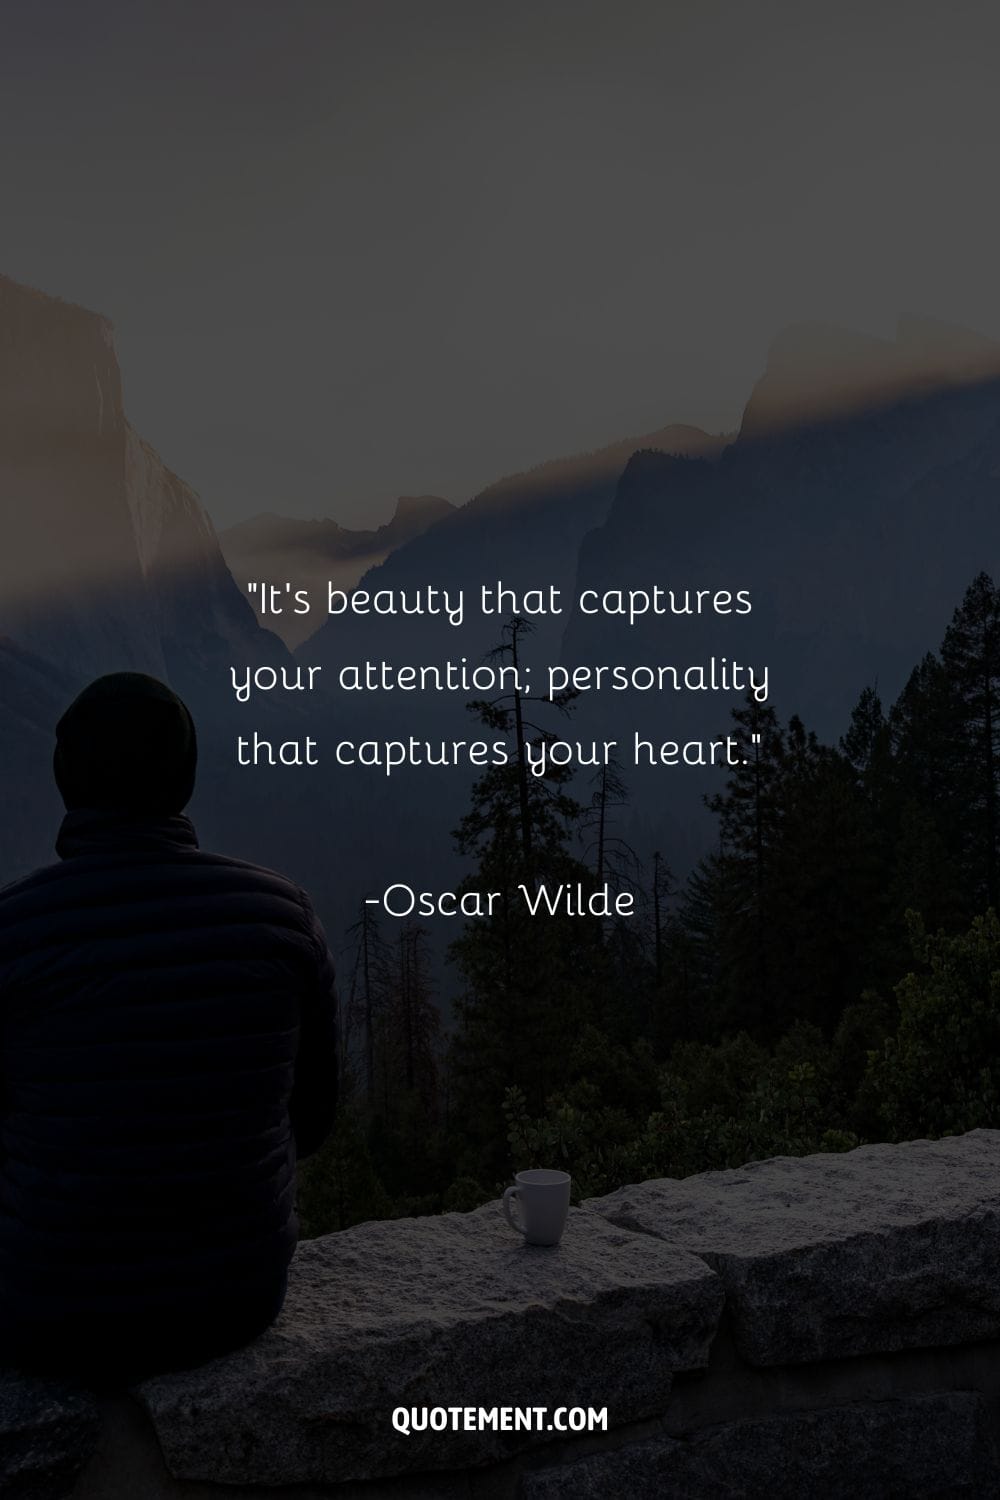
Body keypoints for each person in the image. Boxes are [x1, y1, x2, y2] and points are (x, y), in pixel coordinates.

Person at [0, 672, 338, 1380]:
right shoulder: (281, 915)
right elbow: (311, 1122)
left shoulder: (17, 932)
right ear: (184, 781)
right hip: (237, 1297)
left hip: (48, 1309)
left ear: (67, 782)